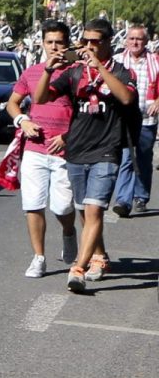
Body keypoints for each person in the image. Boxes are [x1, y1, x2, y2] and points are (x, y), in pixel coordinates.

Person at [32, 17, 138, 293]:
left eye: (96, 41)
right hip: (77, 150)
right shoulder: (74, 72)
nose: (89, 46)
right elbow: (41, 98)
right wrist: (48, 70)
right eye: (86, 41)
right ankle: (99, 257)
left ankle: (77, 268)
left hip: (106, 150)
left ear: (108, 42)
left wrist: (100, 67)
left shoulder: (122, 72)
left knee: (94, 209)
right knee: (84, 212)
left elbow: (126, 99)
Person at [7, 21, 79, 279]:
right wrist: (22, 120)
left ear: (67, 44)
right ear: (42, 44)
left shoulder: (77, 72)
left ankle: (69, 233)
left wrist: (67, 137)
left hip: (64, 152)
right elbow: (13, 103)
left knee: (62, 207)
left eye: (59, 42)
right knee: (33, 205)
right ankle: (38, 257)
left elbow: (86, 114)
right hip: (35, 149)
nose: (54, 47)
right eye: (49, 42)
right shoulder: (32, 72)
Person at [110, 22, 159, 217]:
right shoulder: (116, 61)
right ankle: (123, 200)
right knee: (126, 159)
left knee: (144, 159)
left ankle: (141, 197)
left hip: (147, 119)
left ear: (146, 41)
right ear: (126, 40)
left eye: (139, 38)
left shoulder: (155, 61)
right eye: (132, 38)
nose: (135, 42)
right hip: (122, 120)